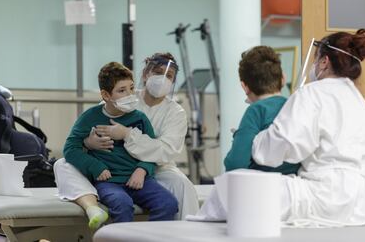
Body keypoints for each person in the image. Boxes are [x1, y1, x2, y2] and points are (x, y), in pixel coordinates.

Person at [252, 29, 365, 226]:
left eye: (315, 59)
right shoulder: (361, 103)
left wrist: (257, 140)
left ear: (324, 62)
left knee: (243, 193)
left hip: (325, 198)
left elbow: (282, 145)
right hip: (363, 205)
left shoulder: (312, 93)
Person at [54, 53, 199, 224]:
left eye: (168, 76)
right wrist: (88, 143)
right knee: (62, 164)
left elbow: (163, 151)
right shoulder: (124, 97)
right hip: (108, 173)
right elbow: (86, 132)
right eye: (157, 72)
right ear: (145, 74)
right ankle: (91, 205)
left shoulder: (174, 112)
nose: (162, 79)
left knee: (180, 185)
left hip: (154, 168)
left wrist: (129, 137)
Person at [223, 45, 300, 174]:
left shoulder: (256, 111)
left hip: (262, 188)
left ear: (244, 87)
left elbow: (235, 164)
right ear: (283, 79)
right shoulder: (294, 106)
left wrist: (239, 137)